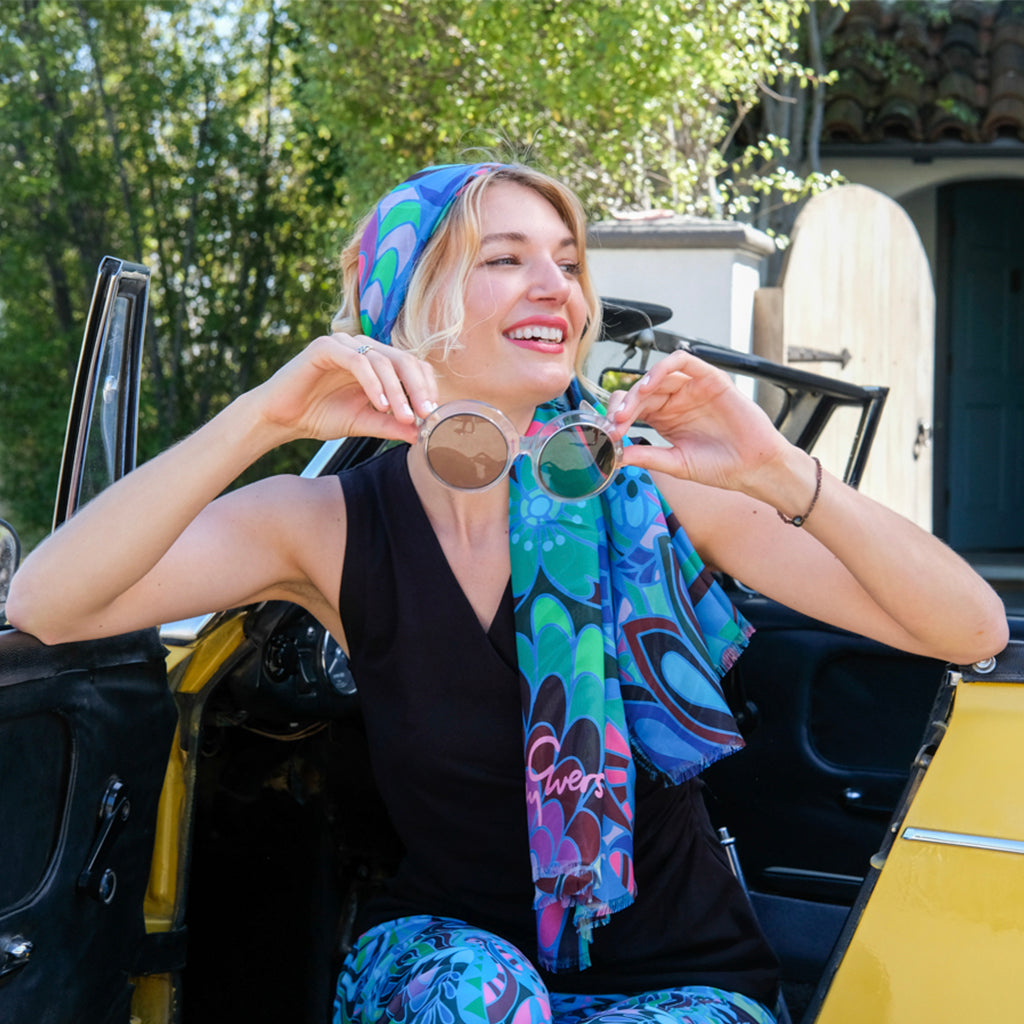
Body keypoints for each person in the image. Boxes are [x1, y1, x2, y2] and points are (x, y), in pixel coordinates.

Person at [6, 163, 1008, 1024]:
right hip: (454, 966)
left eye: (567, 262)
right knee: (483, 996)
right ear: (407, 302)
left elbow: (966, 628)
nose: (555, 288)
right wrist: (264, 416)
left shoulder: (649, 485)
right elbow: (52, 605)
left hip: (682, 975)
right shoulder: (320, 524)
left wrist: (780, 471)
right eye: (504, 259)